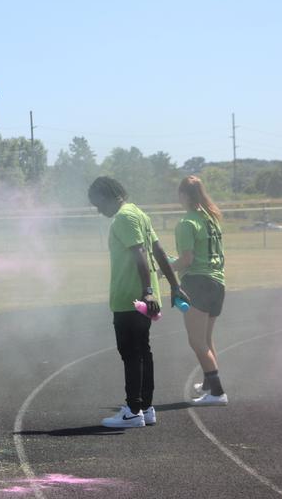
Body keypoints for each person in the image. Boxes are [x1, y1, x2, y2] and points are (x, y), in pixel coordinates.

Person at [87, 176, 188, 429]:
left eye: (98, 204)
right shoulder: (138, 214)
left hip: (131, 298)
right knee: (142, 351)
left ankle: (133, 411)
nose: (99, 211)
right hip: (142, 297)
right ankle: (145, 407)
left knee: (131, 353)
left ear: (109, 196)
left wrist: (147, 292)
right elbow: (160, 251)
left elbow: (140, 253)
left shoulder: (123, 218)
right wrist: (174, 286)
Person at [173, 176, 228, 406]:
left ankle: (217, 392)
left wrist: (163, 270)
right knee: (205, 338)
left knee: (196, 342)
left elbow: (187, 260)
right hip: (217, 283)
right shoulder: (211, 217)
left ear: (183, 195)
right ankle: (208, 383)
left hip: (198, 282)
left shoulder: (187, 223)